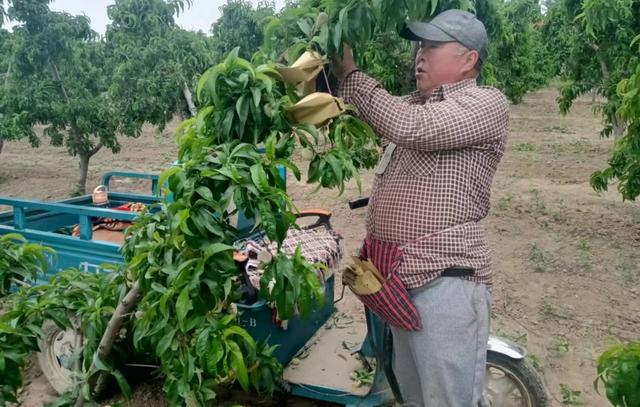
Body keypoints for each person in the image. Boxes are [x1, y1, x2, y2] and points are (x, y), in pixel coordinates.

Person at [333, 9, 509, 407]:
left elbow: (412, 127)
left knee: (446, 400)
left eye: (432, 45)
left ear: (469, 60)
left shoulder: (485, 103)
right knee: (413, 396)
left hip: (445, 280)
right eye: (419, 45)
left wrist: (352, 72)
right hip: (399, 278)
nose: (419, 55)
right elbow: (387, 115)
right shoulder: (414, 103)